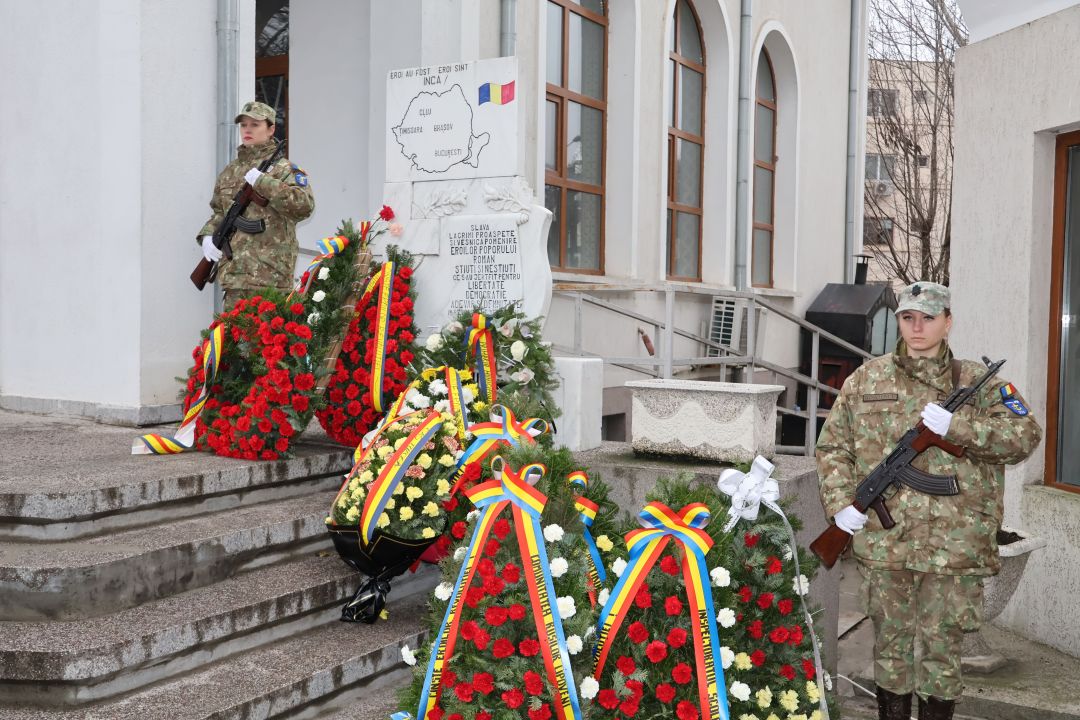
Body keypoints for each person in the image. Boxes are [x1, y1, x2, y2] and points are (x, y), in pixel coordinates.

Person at [816, 281, 1041, 720]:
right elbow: (833, 447)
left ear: (948, 321)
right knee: (891, 647)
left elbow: (1024, 436)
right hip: (886, 544)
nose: (917, 327)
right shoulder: (867, 378)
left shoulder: (978, 382)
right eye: (907, 317)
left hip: (953, 549)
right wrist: (842, 503)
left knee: (942, 651)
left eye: (928, 318)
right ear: (898, 320)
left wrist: (959, 429)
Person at [197, 100, 315, 304]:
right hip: (235, 277)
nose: (247, 130)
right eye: (244, 125)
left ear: (271, 129)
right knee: (232, 336)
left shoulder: (284, 169)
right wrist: (207, 235)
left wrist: (264, 182)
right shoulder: (229, 172)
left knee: (269, 336)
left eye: (255, 124)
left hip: (271, 277)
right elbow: (219, 212)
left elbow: (303, 206)